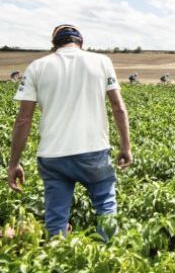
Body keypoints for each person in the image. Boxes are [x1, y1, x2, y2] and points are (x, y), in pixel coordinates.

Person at [8, 25, 132, 241]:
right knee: (105, 206)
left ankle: (59, 258)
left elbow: (23, 119)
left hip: (52, 155)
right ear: (81, 43)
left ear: (54, 45)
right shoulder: (101, 61)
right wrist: (126, 147)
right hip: (93, 151)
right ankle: (110, 255)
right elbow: (118, 107)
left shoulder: (37, 67)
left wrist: (14, 163)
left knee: (56, 217)